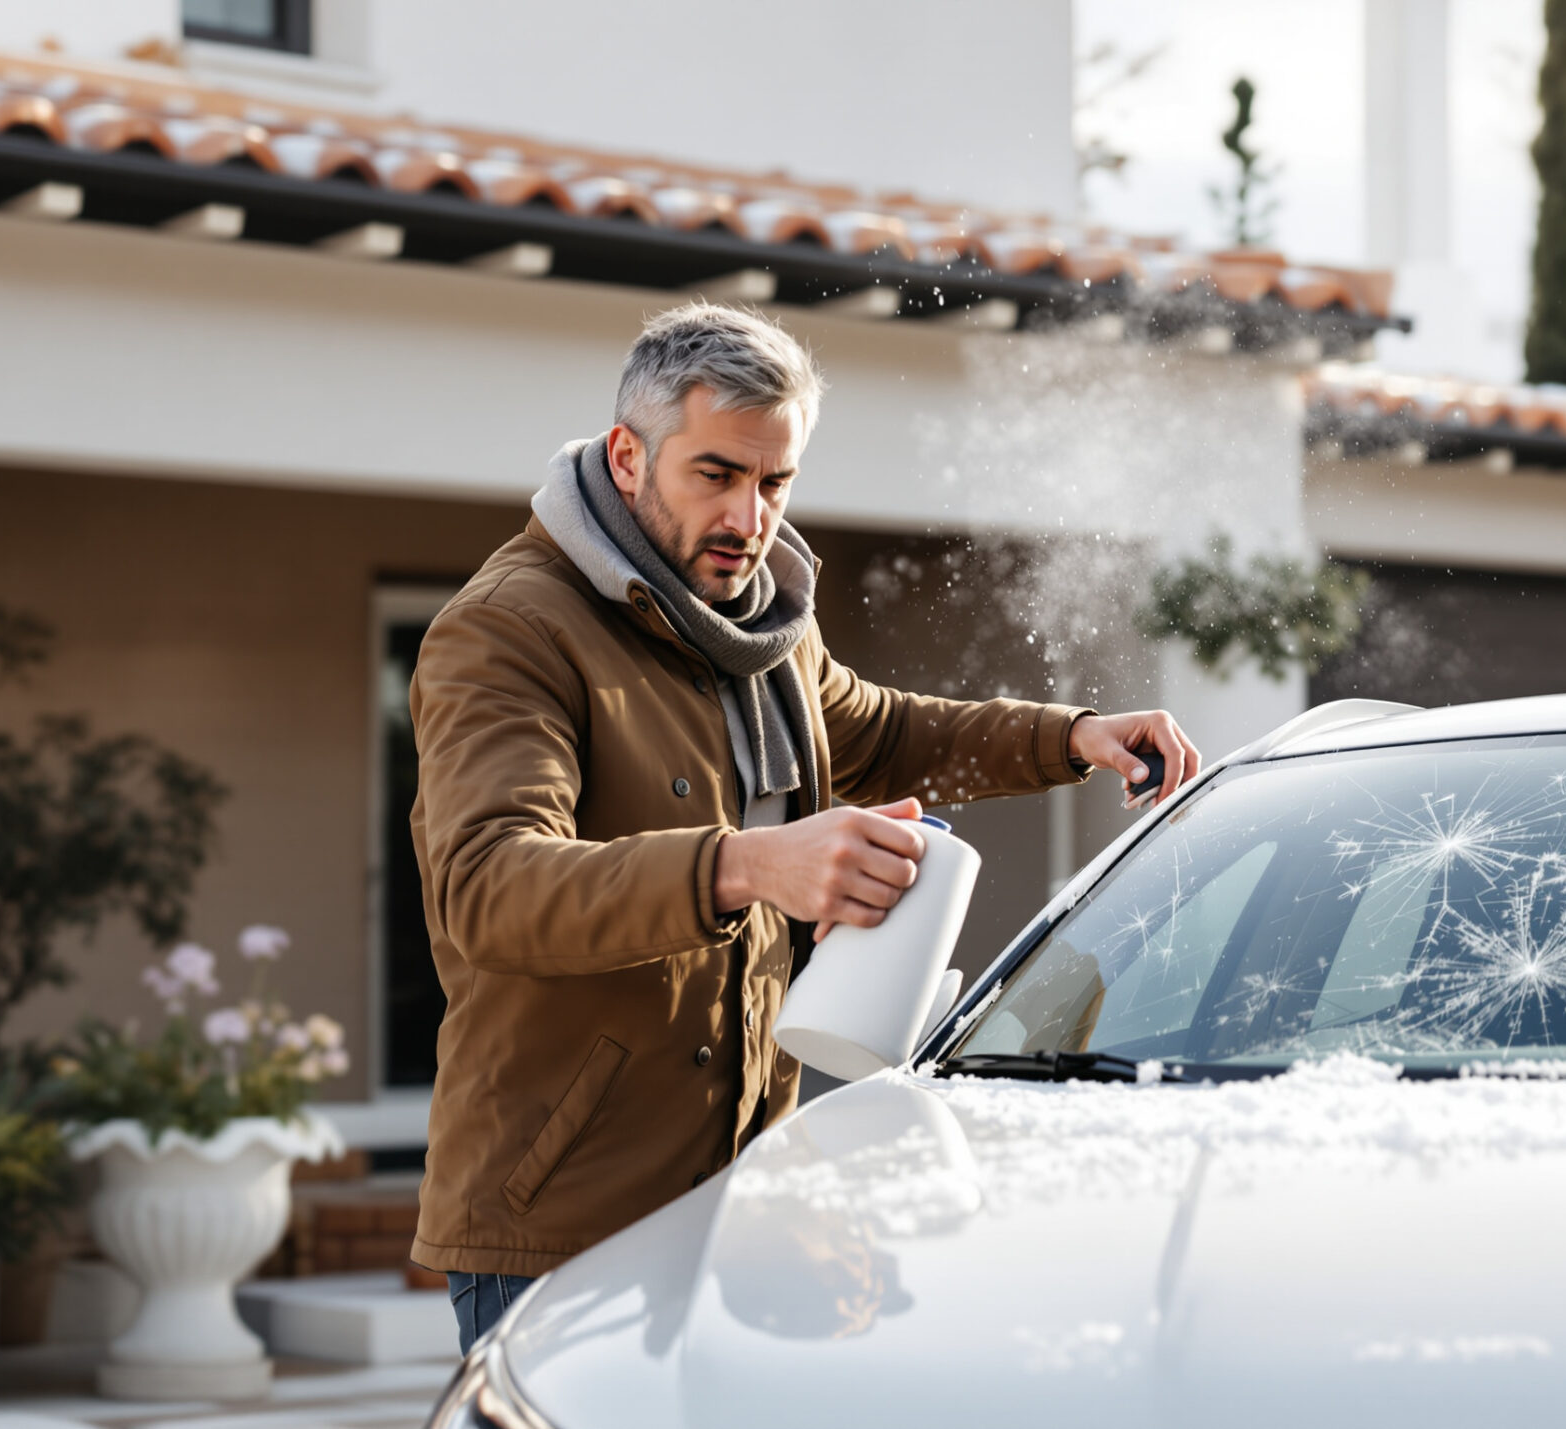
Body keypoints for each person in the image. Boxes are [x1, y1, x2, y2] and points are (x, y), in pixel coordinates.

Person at [407, 302, 1198, 1353]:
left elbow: (878, 729)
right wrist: (746, 865)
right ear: (628, 455)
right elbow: (489, 889)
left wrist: (1075, 736)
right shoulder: (508, 629)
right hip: (560, 1225)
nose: (750, 515)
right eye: (717, 474)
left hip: (743, 1203)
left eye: (775, 482)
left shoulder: (762, 625)